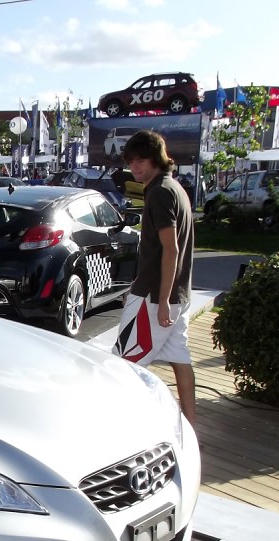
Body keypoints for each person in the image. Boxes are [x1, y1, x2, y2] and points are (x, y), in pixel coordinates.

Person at [112, 129, 197, 426]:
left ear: (156, 159)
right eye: (131, 161)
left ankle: (132, 427)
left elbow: (170, 249)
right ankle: (190, 427)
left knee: (125, 365)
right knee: (180, 360)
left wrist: (161, 300)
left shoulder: (160, 192)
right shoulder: (174, 187)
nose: (135, 167)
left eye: (141, 160)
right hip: (178, 294)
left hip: (156, 297)